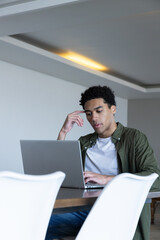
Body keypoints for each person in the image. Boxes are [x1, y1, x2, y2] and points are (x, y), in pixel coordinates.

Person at [45, 85, 160, 240]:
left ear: (113, 109)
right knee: (36, 223)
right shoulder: (84, 142)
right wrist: (63, 132)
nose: (94, 118)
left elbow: (155, 177)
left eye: (99, 111)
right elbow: (59, 174)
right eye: (88, 114)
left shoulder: (134, 138)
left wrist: (106, 179)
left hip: (119, 212)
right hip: (85, 209)